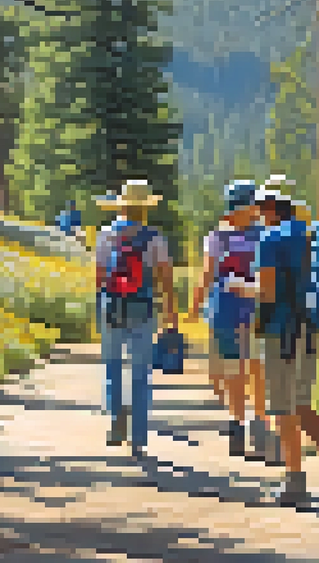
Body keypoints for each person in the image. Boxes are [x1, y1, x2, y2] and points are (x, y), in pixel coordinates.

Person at [250, 181, 319, 507]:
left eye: (260, 208)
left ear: (271, 207)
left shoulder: (270, 239)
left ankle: (295, 483)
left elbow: (267, 293)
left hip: (281, 331)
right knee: (300, 402)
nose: (258, 214)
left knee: (283, 408)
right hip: (310, 329)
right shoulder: (312, 235)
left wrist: (240, 289)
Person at [94, 180, 177, 460]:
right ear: (145, 208)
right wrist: (171, 314)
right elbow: (166, 279)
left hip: (112, 306)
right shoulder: (155, 237)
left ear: (121, 205)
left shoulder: (106, 234)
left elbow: (98, 278)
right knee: (141, 374)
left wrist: (102, 303)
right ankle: (139, 439)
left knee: (112, 366)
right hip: (143, 308)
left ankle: (116, 418)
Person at [189, 180, 263, 458]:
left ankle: (238, 424)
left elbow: (208, 274)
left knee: (235, 368)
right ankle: (257, 423)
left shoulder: (218, 236)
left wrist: (195, 307)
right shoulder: (264, 234)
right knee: (254, 366)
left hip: (225, 308)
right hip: (255, 307)